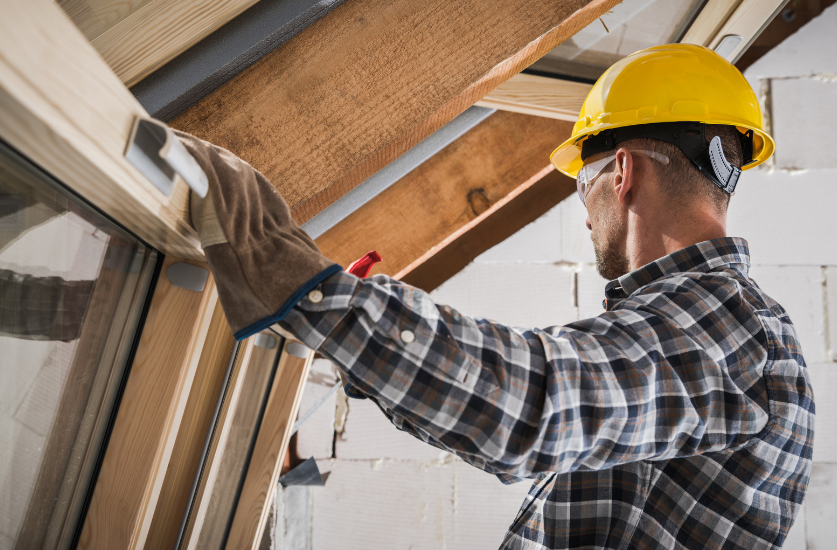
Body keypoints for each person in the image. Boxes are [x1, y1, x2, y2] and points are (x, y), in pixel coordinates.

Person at [178, 44, 814, 549]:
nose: (586, 217)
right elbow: (521, 411)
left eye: (581, 184)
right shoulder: (700, 327)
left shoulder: (729, 330)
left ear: (621, 172)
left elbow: (534, 404)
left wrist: (304, 286)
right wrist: (355, 345)